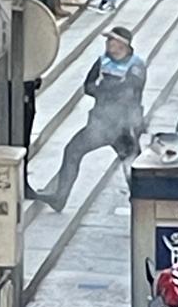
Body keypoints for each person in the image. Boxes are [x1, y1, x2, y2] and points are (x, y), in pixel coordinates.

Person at [33, 27, 146, 211]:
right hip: (100, 124)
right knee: (72, 150)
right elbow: (88, 86)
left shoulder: (136, 65)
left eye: (112, 40)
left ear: (123, 45)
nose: (108, 43)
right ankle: (60, 197)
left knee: (132, 165)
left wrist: (105, 90)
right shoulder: (102, 61)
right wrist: (108, 90)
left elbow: (131, 92)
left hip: (124, 127)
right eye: (108, 40)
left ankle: (143, 203)